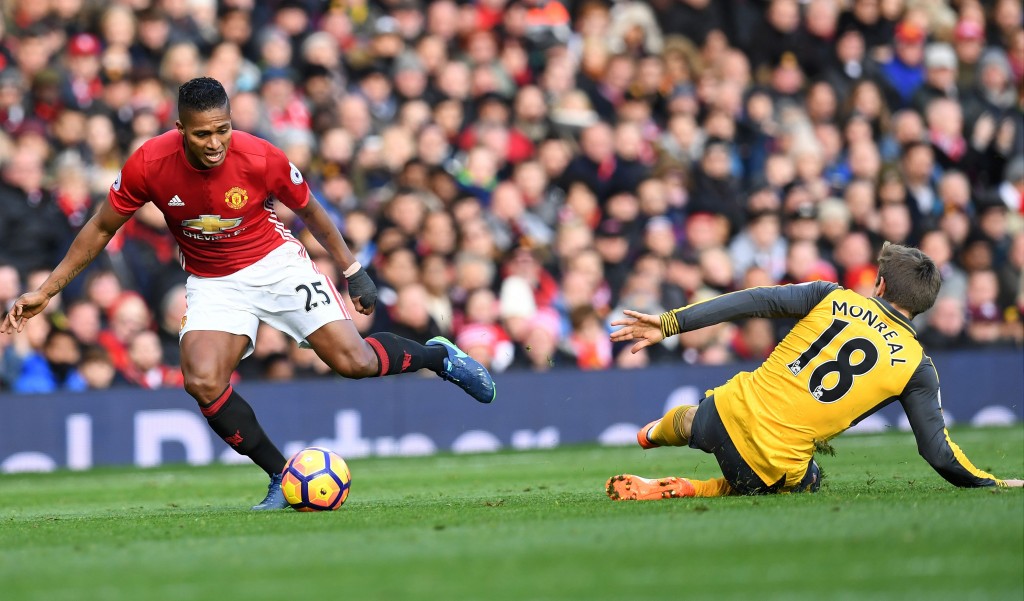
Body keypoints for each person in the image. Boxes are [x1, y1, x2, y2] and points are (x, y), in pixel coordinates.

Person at [1, 77, 496, 509]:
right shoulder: (149, 164)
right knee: (202, 379)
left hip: (275, 264)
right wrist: (47, 290)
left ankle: (437, 357)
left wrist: (352, 269)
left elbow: (314, 212)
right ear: (180, 130)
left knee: (355, 363)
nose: (215, 142)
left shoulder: (260, 155)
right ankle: (282, 475)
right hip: (214, 280)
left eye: (222, 129)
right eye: (202, 133)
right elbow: (98, 229)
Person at [605, 243, 1022, 500]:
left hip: (721, 412)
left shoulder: (830, 295)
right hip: (766, 463)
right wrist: (992, 482)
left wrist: (669, 323)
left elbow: (751, 300)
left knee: (702, 414)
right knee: (807, 480)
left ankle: (657, 432)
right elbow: (938, 453)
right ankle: (693, 488)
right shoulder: (917, 366)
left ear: (879, 284)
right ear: (925, 306)